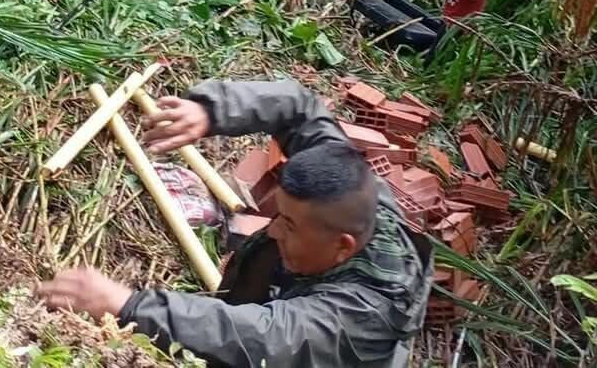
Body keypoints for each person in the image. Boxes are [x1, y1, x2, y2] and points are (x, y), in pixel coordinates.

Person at [39, 79, 433, 368]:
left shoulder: (361, 317)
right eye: (279, 215)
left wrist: (129, 305)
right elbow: (297, 106)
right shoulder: (348, 189)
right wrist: (210, 111)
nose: (273, 230)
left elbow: (265, 336)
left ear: (343, 246)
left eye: (290, 225)